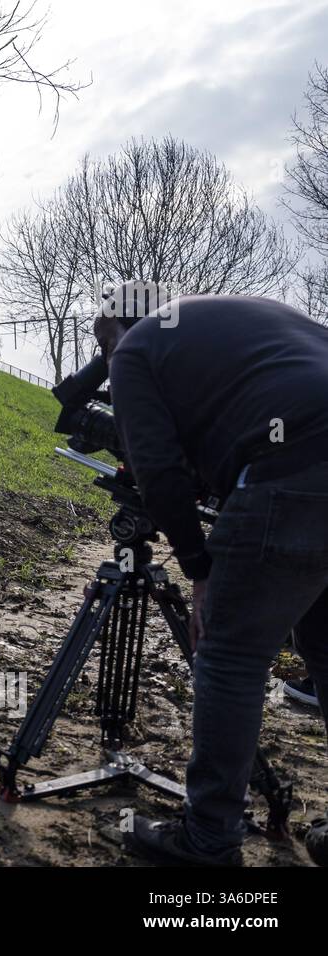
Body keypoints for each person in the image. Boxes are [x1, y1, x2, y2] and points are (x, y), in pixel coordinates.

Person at [92, 283, 328, 866]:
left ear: (118, 334)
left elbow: (157, 472)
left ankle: (209, 841)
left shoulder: (135, 349)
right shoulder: (249, 319)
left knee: (230, 656)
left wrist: (200, 569)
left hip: (292, 471)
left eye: (104, 350)